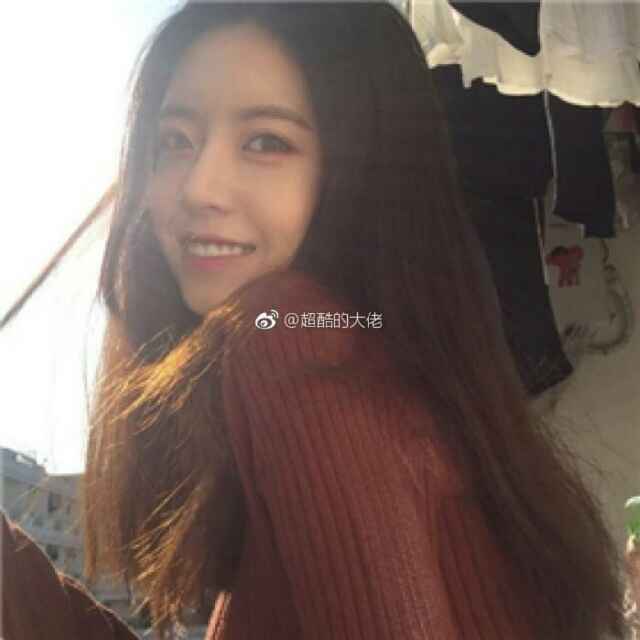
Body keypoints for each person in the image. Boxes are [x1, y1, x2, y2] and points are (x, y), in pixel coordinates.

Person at [0, 2, 627, 639]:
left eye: (266, 142)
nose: (198, 187)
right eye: (175, 141)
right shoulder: (385, 356)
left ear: (358, 170)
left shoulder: (286, 335)